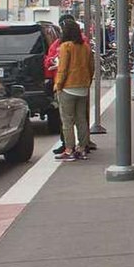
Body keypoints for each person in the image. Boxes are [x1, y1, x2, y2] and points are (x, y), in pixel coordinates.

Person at [52, 18, 94, 163]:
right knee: (81, 119)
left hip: (68, 87)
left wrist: (58, 84)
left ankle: (69, 149)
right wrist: (87, 81)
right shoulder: (85, 47)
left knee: (67, 120)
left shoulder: (66, 47)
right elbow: (91, 67)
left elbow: (62, 68)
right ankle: (82, 148)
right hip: (83, 86)